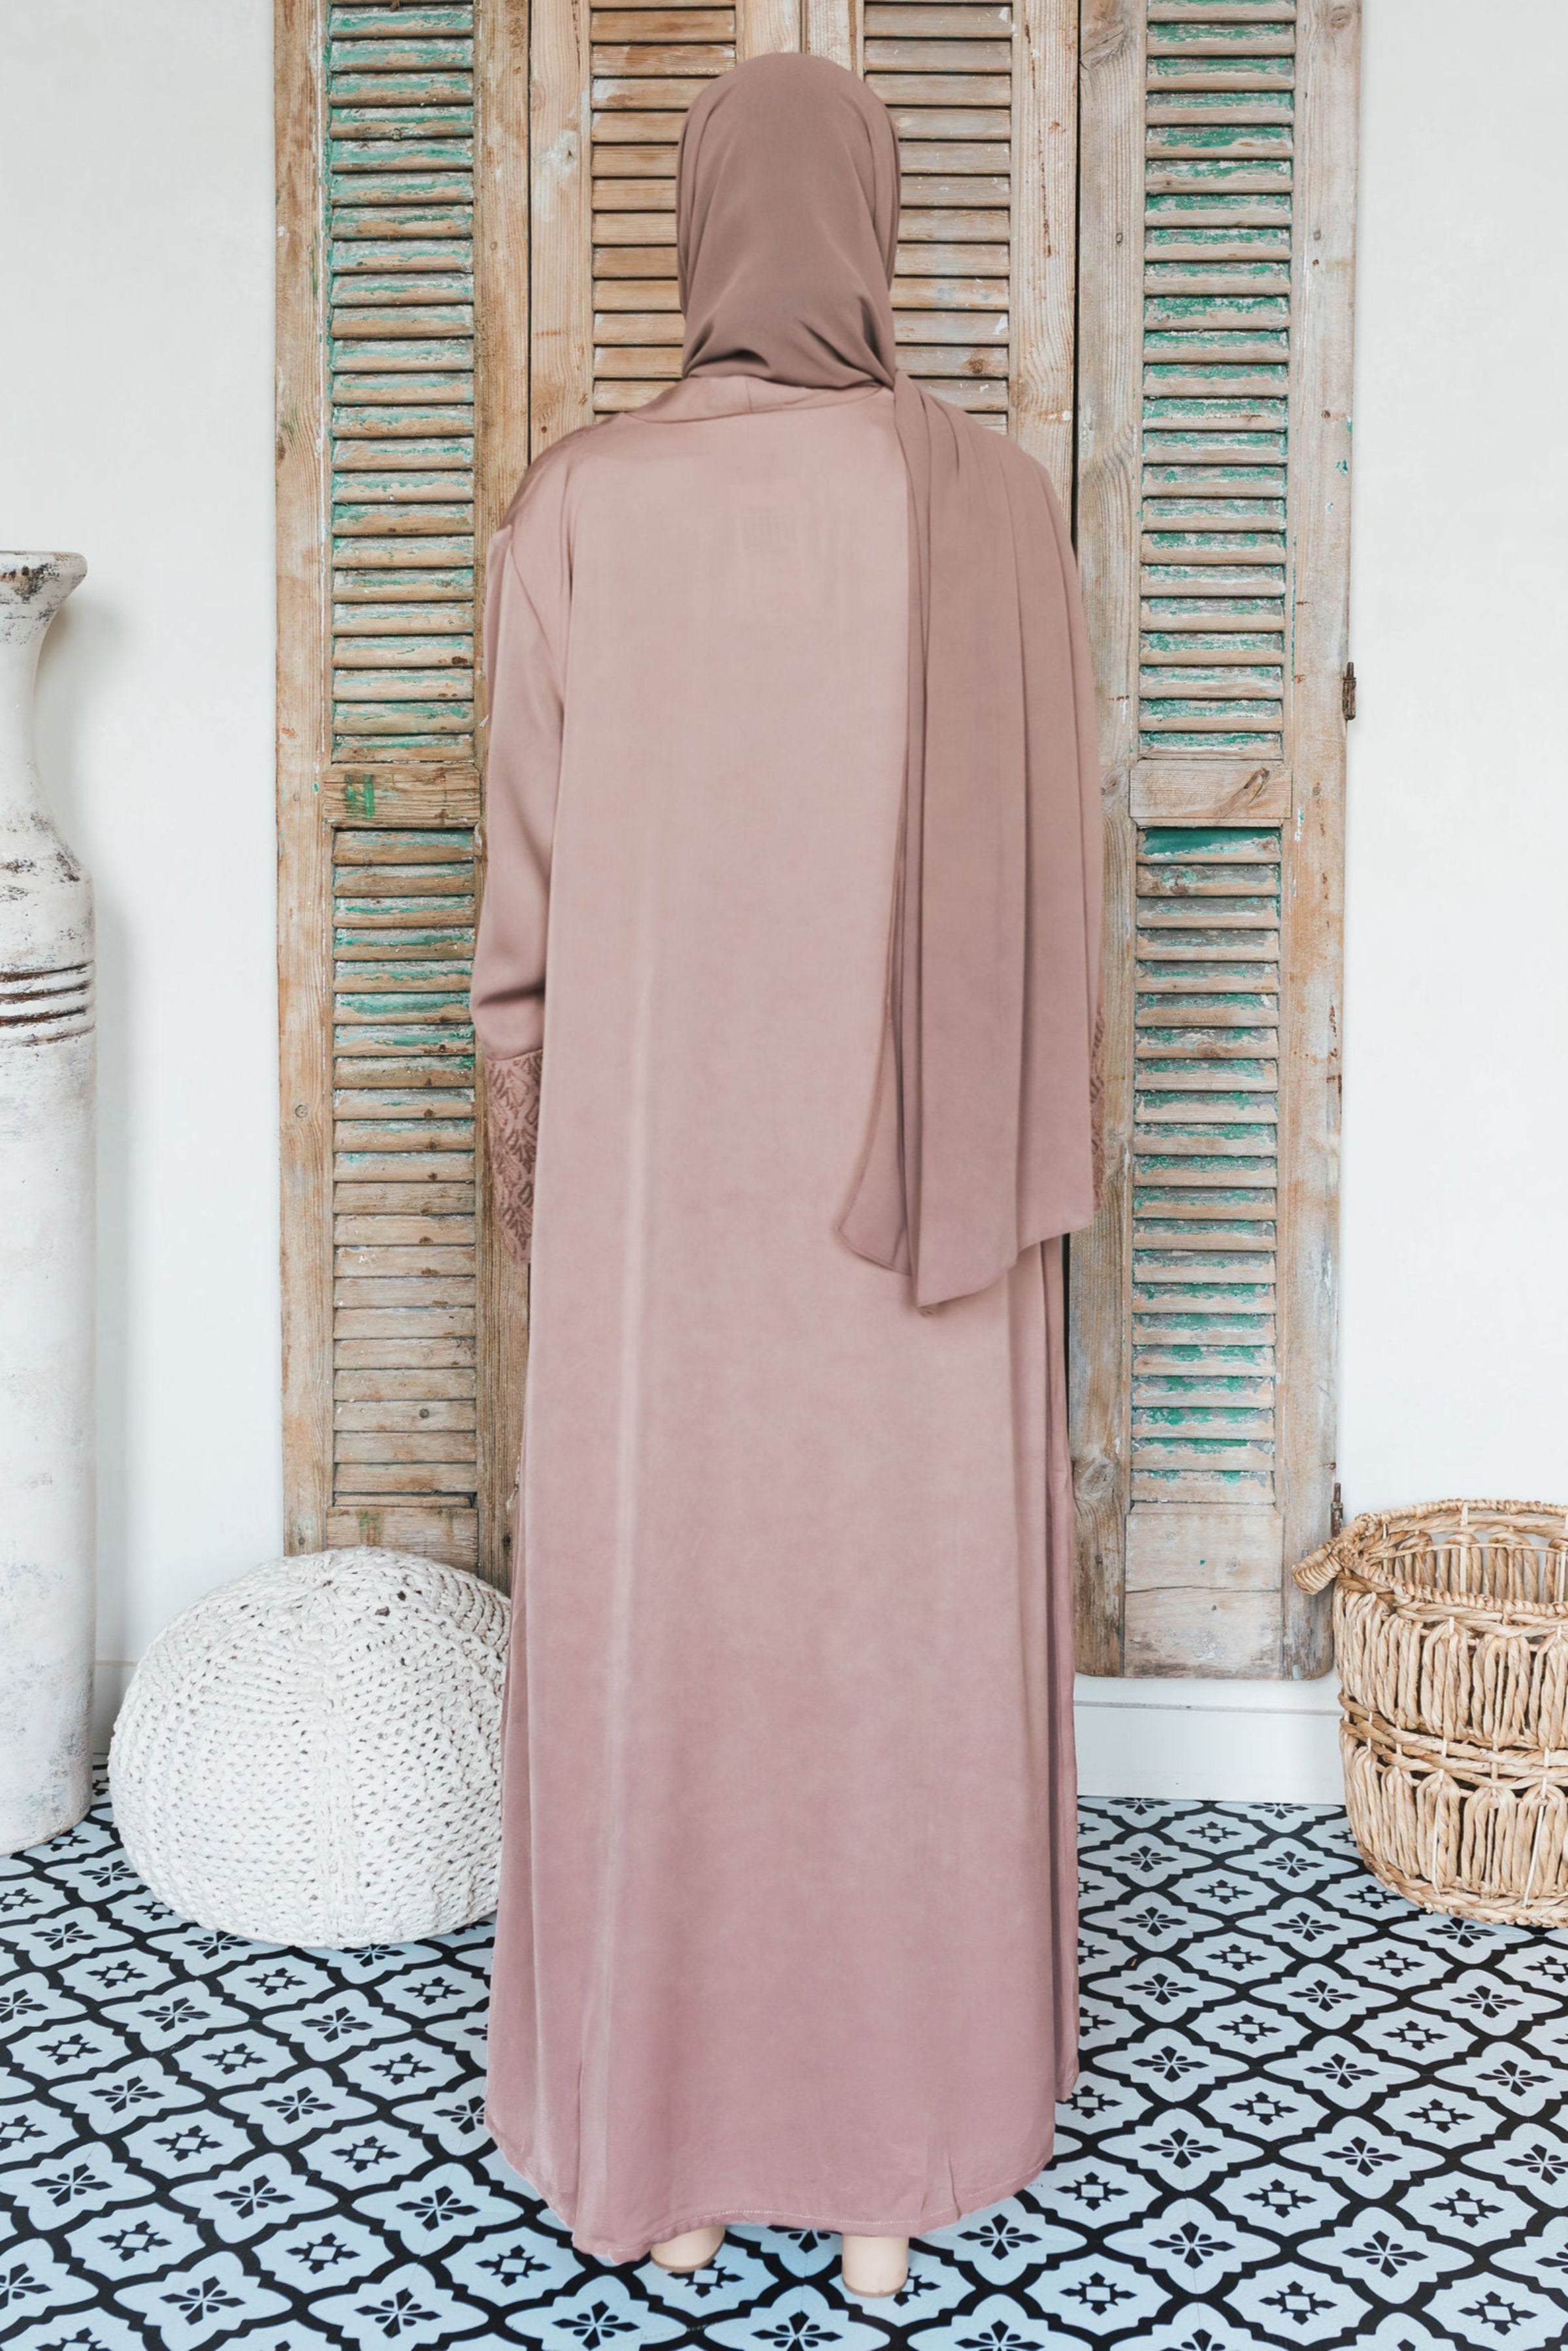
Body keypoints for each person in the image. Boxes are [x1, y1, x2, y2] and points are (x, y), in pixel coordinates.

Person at [470, 51, 1102, 2303]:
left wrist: (541, 1165)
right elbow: (1050, 891)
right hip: (925, 1214)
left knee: (676, 1640)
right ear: (884, 226)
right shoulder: (993, 506)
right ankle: (891, 2173)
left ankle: (666, 2156)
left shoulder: (578, 509)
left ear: (698, 233)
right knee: (897, 1648)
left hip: (664, 1216)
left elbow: (522, 925)